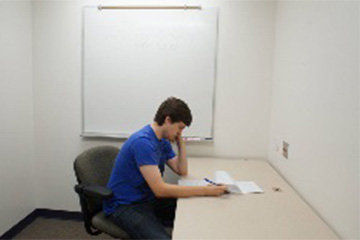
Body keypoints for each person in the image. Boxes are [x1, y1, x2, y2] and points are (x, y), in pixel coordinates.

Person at [104, 97, 228, 239]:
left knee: (196, 209)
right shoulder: (143, 143)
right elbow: (160, 190)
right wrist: (206, 190)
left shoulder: (162, 140)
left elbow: (181, 170)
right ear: (168, 120)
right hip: (125, 205)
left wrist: (180, 141)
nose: (180, 132)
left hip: (146, 198)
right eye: (180, 128)